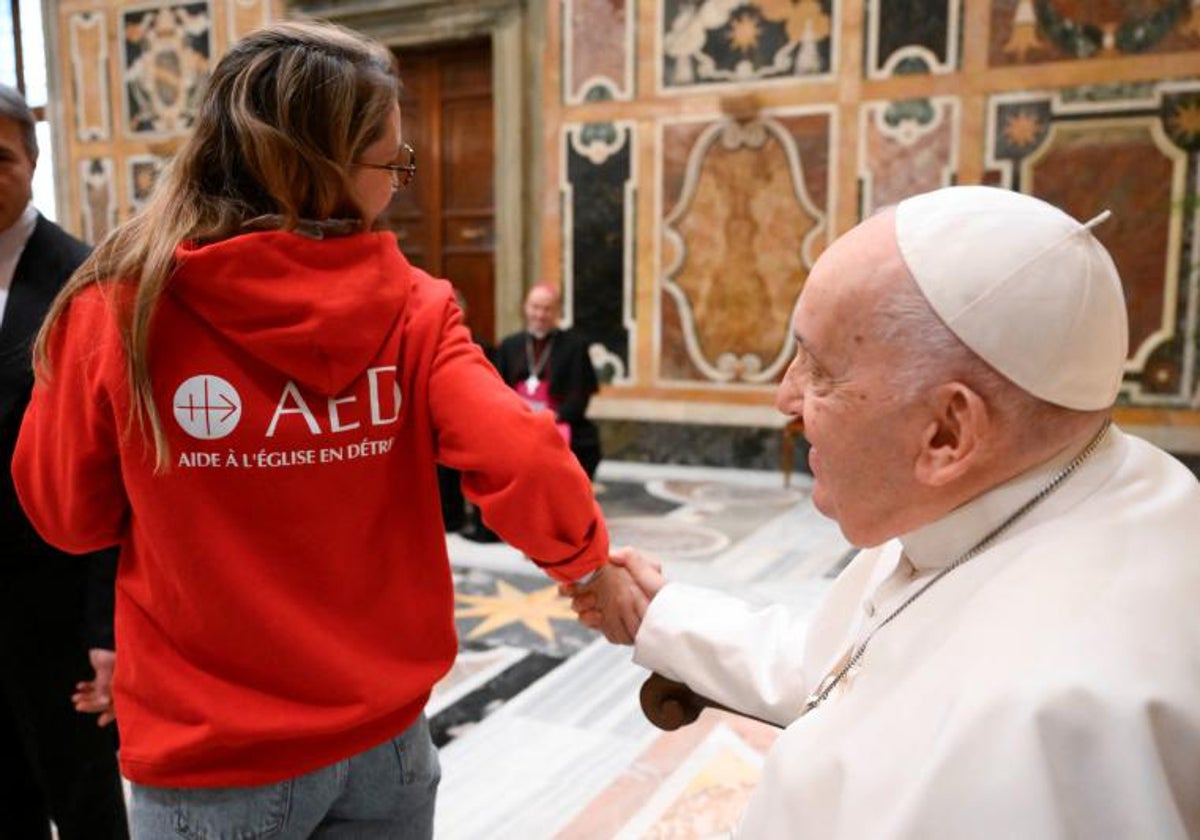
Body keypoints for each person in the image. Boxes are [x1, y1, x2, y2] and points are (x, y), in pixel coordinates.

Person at [12, 23, 607, 838]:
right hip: (384, 744)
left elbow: (66, 517)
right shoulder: (413, 305)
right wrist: (588, 567)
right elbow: (527, 455)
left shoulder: (117, 307)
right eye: (392, 164)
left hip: (213, 757)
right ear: (317, 167)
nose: (399, 186)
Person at [570, 186, 1200, 837]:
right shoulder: (1038, 490)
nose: (783, 397)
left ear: (946, 434)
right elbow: (849, 674)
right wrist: (659, 614)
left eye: (817, 369)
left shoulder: (1040, 730)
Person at [0, 84, 128, 838]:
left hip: (55, 600)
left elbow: (113, 470)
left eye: (0, 157)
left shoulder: (85, 280)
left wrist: (107, 627)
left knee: (81, 798)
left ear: (34, 160)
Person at [495, 284, 602, 479]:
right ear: (525, 307)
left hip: (558, 421)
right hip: (516, 422)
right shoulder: (509, 345)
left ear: (557, 311)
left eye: (547, 309)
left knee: (586, 446)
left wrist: (555, 416)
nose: (540, 314)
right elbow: (498, 389)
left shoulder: (575, 346)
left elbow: (580, 394)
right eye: (535, 307)